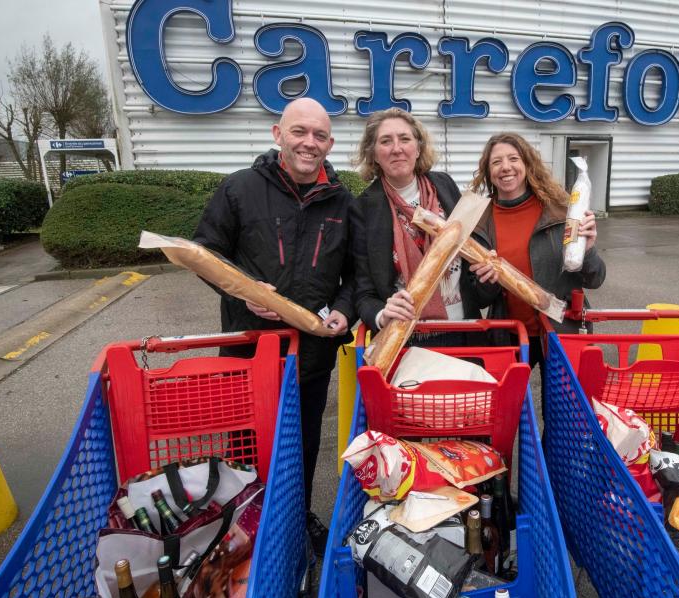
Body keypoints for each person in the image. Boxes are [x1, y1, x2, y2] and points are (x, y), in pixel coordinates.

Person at [193, 97, 354, 558]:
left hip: (312, 354)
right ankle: (245, 527)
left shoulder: (343, 201)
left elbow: (355, 275)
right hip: (248, 350)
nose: (309, 142)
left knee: (302, 446)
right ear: (277, 134)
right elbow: (206, 252)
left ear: (330, 143)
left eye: (319, 135)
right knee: (245, 445)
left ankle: (296, 519)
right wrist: (241, 289)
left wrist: (344, 310)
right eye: (299, 131)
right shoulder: (240, 189)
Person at [351, 108, 495, 336]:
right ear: (374, 154)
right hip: (405, 335)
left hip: (465, 329)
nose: (397, 149)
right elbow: (363, 290)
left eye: (405, 139)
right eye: (386, 141)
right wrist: (381, 314)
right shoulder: (362, 208)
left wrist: (486, 273)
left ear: (418, 148)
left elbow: (469, 257)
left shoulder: (444, 185)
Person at [469, 132, 606, 369]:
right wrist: (486, 280)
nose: (506, 167)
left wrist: (588, 250)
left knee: (562, 405)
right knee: (512, 405)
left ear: (526, 164)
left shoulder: (561, 210)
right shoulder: (480, 221)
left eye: (513, 158)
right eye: (496, 162)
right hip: (508, 334)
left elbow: (596, 279)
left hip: (562, 329)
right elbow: (480, 299)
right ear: (488, 171)